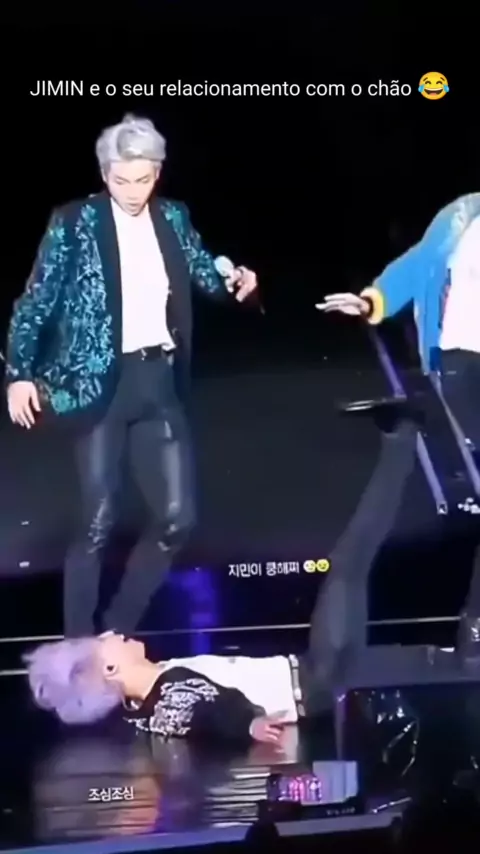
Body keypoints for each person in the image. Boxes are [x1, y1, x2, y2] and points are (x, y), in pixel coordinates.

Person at [5, 114, 258, 638]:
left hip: (158, 381)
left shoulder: (173, 217)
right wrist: (18, 373)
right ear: (105, 174)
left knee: (176, 517)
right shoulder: (75, 222)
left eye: (143, 179)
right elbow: (36, 299)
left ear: (157, 172)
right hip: (100, 385)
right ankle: (78, 643)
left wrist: (238, 283)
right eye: (121, 180)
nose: (132, 191)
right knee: (97, 522)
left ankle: (116, 630)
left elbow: (206, 275)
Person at [317, 191, 480, 659]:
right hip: (460, 361)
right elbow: (419, 263)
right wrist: (374, 300)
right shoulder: (464, 214)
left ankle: (474, 624)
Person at [24, 632, 300, 744]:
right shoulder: (172, 694)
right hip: (305, 685)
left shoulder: (144, 704)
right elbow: (208, 711)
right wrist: (248, 724)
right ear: (110, 668)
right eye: (103, 640)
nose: (114, 634)